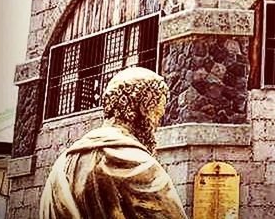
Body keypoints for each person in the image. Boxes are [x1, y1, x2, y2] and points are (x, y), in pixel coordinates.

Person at [39, 67, 187, 219]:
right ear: (144, 107)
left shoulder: (62, 164)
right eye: (157, 114)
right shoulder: (140, 165)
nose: (157, 124)